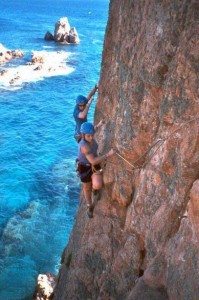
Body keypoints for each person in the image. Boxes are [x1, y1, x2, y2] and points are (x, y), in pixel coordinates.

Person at [77, 122, 115, 218]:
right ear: (83, 135)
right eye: (89, 136)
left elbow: (93, 130)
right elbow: (93, 161)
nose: (91, 138)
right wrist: (108, 154)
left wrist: (99, 124)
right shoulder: (84, 146)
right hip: (85, 166)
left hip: (94, 163)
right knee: (87, 188)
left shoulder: (89, 135)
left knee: (98, 185)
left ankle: (95, 189)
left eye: (92, 135)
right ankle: (90, 206)